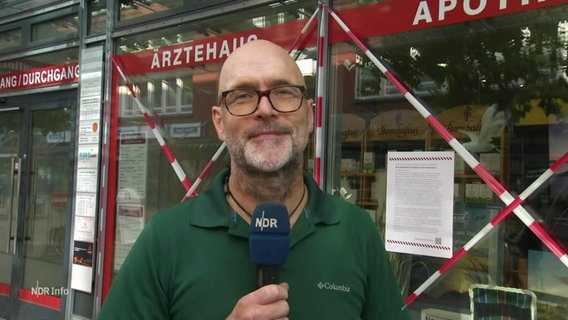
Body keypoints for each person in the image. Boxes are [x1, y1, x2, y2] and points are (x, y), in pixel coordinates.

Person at [98, 39, 410, 319]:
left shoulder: (356, 232)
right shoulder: (164, 240)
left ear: (311, 115)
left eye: (284, 93)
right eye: (244, 96)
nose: (265, 109)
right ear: (220, 122)